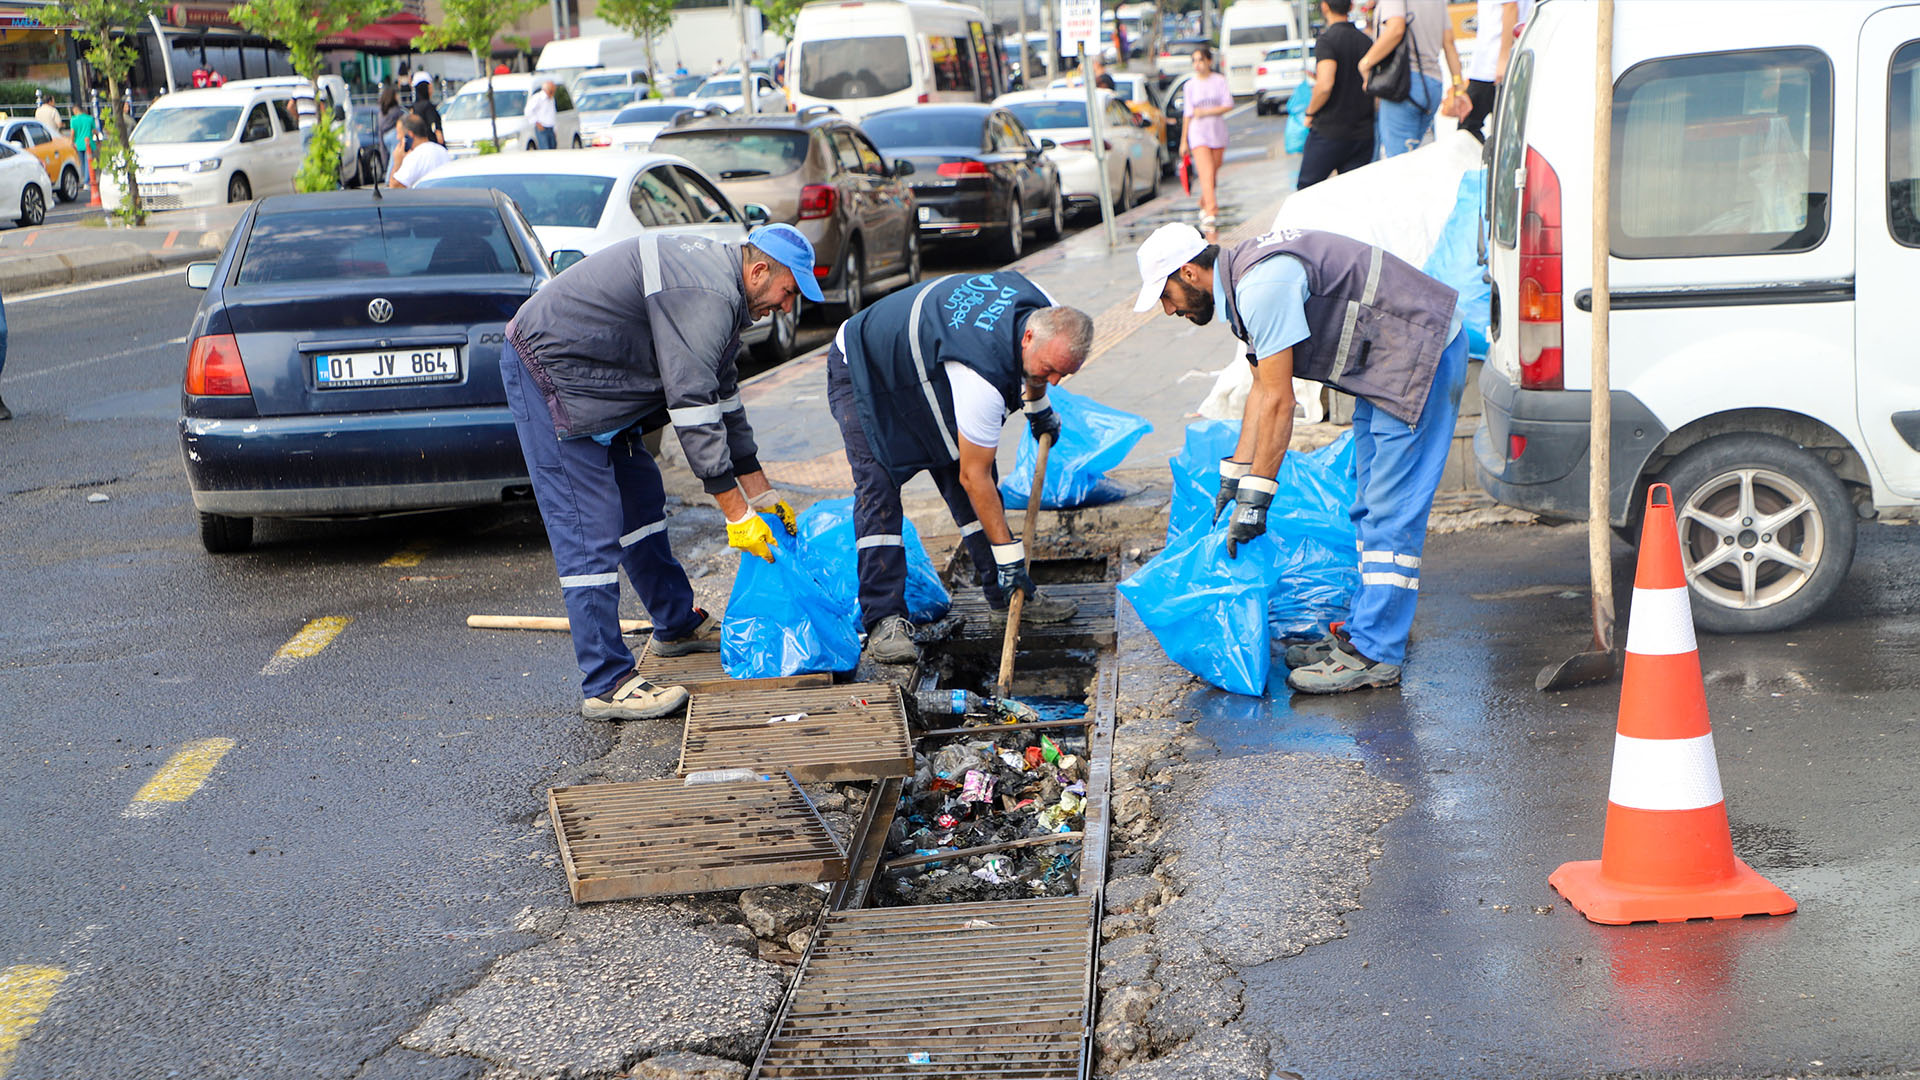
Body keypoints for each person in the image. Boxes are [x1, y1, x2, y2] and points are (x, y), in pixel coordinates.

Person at [1132, 222, 1467, 694]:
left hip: (1420, 355)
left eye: (1166, 296)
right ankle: (1361, 635)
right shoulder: (1245, 285)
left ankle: (1376, 653)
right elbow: (1260, 389)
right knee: (1368, 505)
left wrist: (1256, 501)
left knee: (1391, 516)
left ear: (1188, 273)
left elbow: (1280, 402)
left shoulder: (1261, 287)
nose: (1167, 310)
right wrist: (1235, 477)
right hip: (1387, 363)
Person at [502, 224, 821, 719]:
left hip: (607, 383)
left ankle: (675, 623)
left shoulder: (727, 295)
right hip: (553, 374)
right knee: (590, 530)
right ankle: (607, 682)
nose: (786, 306)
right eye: (788, 292)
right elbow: (692, 405)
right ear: (759, 271)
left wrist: (761, 494)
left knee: (643, 502)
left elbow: (725, 400)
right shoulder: (706, 294)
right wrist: (736, 514)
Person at [827, 273, 1094, 665]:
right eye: (1050, 370)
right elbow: (975, 477)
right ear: (1028, 339)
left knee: (962, 462)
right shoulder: (980, 378)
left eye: (1063, 375)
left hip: (924, 363)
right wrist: (1013, 559)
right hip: (865, 366)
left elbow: (1035, 371)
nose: (1053, 380)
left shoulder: (1044, 310)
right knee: (880, 486)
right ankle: (883, 620)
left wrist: (1038, 407)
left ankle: (1004, 594)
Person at [1358, 0, 1462, 157]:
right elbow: (1449, 43)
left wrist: (1365, 64)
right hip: (1432, 84)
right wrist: (1459, 88)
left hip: (1403, 85)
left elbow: (1396, 29)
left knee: (1400, 163)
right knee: (1413, 156)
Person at [1299, 0, 1374, 188]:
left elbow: (1325, 85)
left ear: (1325, 7)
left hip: (1329, 131)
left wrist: (1310, 113)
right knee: (1353, 195)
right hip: (1362, 132)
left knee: (1306, 190)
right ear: (1350, 7)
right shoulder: (1365, 40)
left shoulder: (1327, 40)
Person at [1180, 45, 1233, 229]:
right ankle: (1211, 210)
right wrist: (1184, 141)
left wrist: (1207, 111)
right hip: (1198, 134)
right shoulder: (1189, 86)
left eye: (1201, 60)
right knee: (1206, 172)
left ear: (1209, 61)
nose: (1198, 64)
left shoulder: (1219, 81)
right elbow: (1187, 114)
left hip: (1217, 132)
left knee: (1213, 173)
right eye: (1194, 61)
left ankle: (1204, 200)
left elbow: (1228, 104)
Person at [1459, 0, 1517, 140]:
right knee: (1504, 129)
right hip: (1492, 63)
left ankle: (1485, 161)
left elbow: (1511, 8)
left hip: (1491, 65)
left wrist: (1503, 58)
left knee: (1467, 129)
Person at [387, 114, 450, 188]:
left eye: (398, 133)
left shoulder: (414, 157)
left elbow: (395, 187)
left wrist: (397, 163)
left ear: (409, 135)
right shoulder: (442, 150)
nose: (397, 138)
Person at [409, 71, 443, 145]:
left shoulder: (413, 107)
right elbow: (434, 126)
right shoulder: (428, 106)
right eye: (430, 87)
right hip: (431, 145)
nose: (432, 89)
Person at [525, 79, 558, 149]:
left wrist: (555, 129)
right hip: (542, 127)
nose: (553, 93)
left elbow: (552, 113)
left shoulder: (552, 99)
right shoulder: (537, 98)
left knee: (553, 148)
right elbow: (528, 110)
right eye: (551, 91)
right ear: (546, 90)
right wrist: (536, 122)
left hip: (551, 127)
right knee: (545, 148)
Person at [376, 85, 404, 167]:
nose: (398, 97)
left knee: (392, 160)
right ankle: (389, 178)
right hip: (394, 135)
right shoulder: (396, 110)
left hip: (385, 137)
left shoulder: (382, 112)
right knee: (395, 161)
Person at [69, 106, 95, 195]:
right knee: (88, 163)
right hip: (89, 144)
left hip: (78, 144)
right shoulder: (89, 118)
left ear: (75, 110)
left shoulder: (73, 120)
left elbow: (72, 132)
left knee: (82, 163)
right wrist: (98, 140)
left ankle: (85, 178)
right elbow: (94, 131)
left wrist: (71, 142)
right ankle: (87, 181)